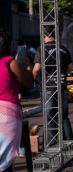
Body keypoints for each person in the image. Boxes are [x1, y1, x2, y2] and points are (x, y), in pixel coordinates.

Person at [32, 26, 73, 145]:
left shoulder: (42, 49)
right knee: (64, 116)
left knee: (50, 115)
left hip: (48, 88)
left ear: (43, 35)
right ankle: (69, 142)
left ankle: (52, 143)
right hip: (62, 86)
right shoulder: (63, 49)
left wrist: (32, 80)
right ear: (56, 35)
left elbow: (36, 69)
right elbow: (71, 69)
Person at [0, 31, 33, 172]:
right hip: (7, 117)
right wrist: (27, 67)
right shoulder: (10, 62)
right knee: (5, 161)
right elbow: (29, 83)